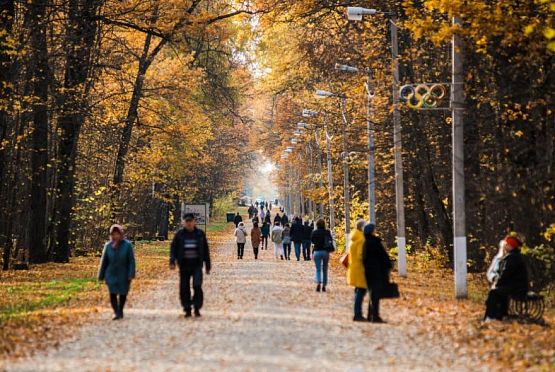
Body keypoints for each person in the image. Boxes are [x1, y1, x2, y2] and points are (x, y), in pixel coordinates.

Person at [170, 213, 211, 318]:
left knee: (197, 286)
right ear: (184, 222)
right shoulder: (179, 235)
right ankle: (187, 308)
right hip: (184, 265)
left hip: (197, 264)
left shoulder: (200, 234)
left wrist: (207, 265)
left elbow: (205, 250)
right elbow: (173, 249)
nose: (189, 223)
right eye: (186, 221)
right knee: (184, 287)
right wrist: (172, 261)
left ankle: (197, 308)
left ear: (194, 222)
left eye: (190, 221)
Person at [484, 236, 528, 322]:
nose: (505, 246)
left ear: (510, 246)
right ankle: (500, 315)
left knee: (494, 292)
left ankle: (490, 316)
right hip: (517, 286)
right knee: (500, 291)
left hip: (517, 288)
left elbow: (505, 274)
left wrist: (497, 283)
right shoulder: (514, 256)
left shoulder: (512, 258)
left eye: (507, 245)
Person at [98, 224, 136, 320]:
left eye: (117, 234)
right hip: (111, 273)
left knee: (123, 293)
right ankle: (116, 312)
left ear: (121, 234)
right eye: (113, 234)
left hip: (124, 273)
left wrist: (131, 274)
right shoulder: (108, 246)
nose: (115, 236)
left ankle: (120, 310)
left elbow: (131, 260)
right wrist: (101, 275)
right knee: (112, 293)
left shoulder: (127, 245)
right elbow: (104, 261)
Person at [362, 223, 392, 323]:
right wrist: (388, 266)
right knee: (375, 294)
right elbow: (382, 256)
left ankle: (370, 314)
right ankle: (375, 316)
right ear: (371, 231)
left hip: (367, 271)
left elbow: (363, 258)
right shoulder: (375, 242)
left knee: (372, 292)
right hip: (376, 271)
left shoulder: (364, 242)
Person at [347, 220, 368, 321]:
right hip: (360, 268)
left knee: (358, 291)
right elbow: (361, 255)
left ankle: (357, 313)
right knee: (361, 291)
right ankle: (357, 314)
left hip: (354, 267)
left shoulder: (353, 237)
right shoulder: (361, 239)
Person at [311, 219, 334, 292]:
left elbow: (312, 241)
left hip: (317, 251)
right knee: (325, 268)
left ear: (317, 224)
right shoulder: (327, 232)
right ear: (324, 224)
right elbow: (330, 240)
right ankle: (324, 285)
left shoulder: (315, 232)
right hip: (325, 252)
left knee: (318, 269)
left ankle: (318, 282)